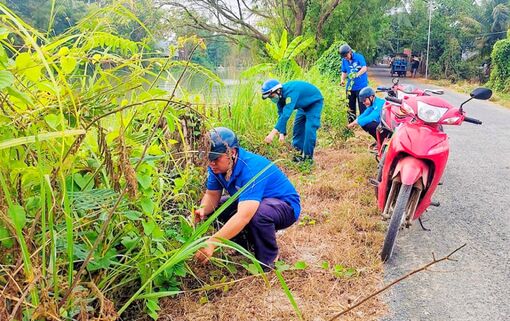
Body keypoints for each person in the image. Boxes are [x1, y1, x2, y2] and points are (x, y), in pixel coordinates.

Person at [194, 127, 301, 270]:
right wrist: (202, 210)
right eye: (208, 158)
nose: (211, 163)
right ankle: (246, 244)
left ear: (231, 152)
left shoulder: (250, 168)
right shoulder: (216, 167)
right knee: (216, 209)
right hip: (252, 201)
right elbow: (212, 195)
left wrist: (213, 242)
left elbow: (244, 216)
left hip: (284, 207)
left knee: (258, 213)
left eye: (215, 158)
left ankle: (268, 259)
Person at [261, 79, 324, 162]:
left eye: (271, 96)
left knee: (310, 129)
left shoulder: (291, 93)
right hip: (303, 106)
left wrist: (272, 134)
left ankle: (308, 159)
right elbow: (281, 115)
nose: (271, 99)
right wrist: (281, 134)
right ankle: (298, 155)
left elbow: (286, 114)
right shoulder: (280, 99)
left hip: (314, 102)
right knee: (297, 129)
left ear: (278, 90)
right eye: (270, 97)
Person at [339, 44, 369, 123]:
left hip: (361, 86)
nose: (346, 58)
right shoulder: (344, 60)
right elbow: (344, 71)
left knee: (362, 106)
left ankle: (363, 123)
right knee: (350, 107)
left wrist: (357, 74)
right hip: (350, 87)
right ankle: (351, 123)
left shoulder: (359, 57)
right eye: (344, 57)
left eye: (346, 56)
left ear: (350, 52)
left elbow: (364, 68)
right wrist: (342, 80)